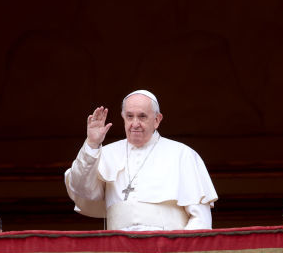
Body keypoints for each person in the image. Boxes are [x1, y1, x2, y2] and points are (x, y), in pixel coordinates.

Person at [64, 90, 217, 230]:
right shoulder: (105, 153)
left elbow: (200, 220)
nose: (135, 124)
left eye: (142, 116)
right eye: (129, 116)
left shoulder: (183, 155)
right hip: (119, 252)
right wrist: (92, 144)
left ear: (157, 120)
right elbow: (81, 189)